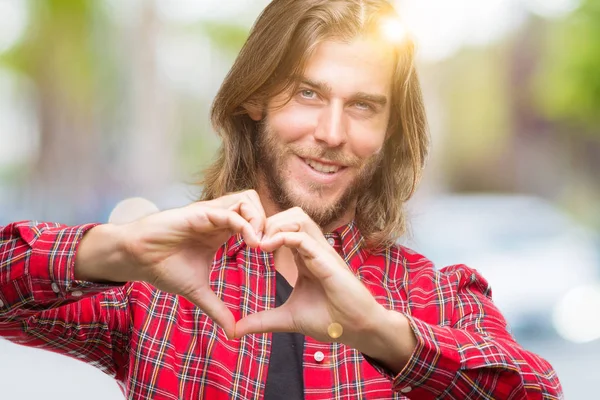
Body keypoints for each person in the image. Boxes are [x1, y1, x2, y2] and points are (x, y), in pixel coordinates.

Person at [0, 0, 562, 399]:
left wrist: (376, 332)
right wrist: (114, 252)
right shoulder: (156, 288)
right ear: (255, 98)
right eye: (308, 93)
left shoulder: (435, 297)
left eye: (364, 106)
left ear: (389, 130)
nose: (333, 132)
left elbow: (535, 390)